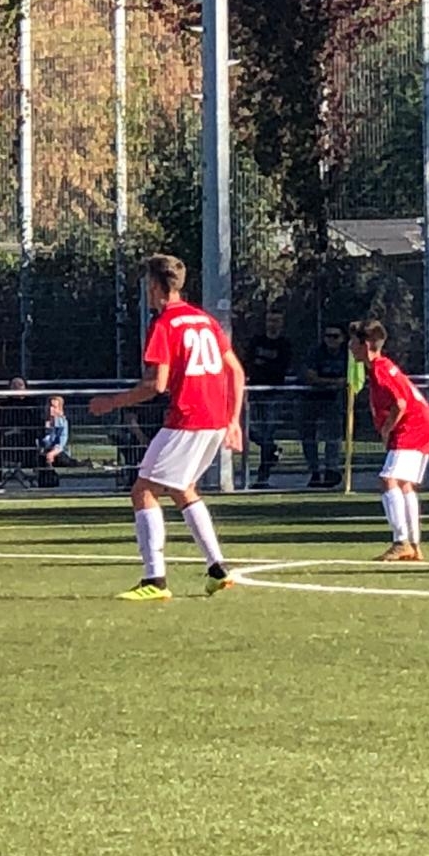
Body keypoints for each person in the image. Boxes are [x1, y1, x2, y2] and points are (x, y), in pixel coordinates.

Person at [89, 253, 245, 602]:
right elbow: (236, 371)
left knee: (142, 491)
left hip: (187, 418)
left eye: (148, 285)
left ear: (156, 286)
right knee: (182, 488)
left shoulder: (165, 324)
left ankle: (155, 580)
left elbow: (156, 385)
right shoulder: (205, 320)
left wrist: (112, 402)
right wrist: (234, 420)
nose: (147, 292)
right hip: (215, 419)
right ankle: (217, 569)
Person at [349, 319, 429, 562]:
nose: (350, 347)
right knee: (404, 484)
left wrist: (387, 429)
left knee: (388, 479)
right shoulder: (383, 367)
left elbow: (400, 403)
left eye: (353, 342)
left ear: (366, 345)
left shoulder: (380, 369)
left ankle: (401, 542)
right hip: (422, 423)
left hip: (412, 426)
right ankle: (414, 544)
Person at [243, 307, 293, 487]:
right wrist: (260, 367)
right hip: (255, 391)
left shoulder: (284, 345)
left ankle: (262, 476)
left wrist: (263, 364)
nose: (272, 324)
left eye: (276, 321)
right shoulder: (256, 341)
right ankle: (273, 449)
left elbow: (281, 367)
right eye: (270, 320)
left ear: (282, 323)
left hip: (274, 392)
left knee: (268, 430)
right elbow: (248, 362)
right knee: (248, 429)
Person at [299, 323, 348, 488]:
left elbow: (351, 378)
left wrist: (337, 383)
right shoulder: (315, 352)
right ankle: (314, 472)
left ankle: (331, 470)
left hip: (333, 401)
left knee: (333, 437)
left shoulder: (347, 354)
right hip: (310, 399)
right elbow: (310, 377)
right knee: (309, 437)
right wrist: (334, 382)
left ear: (342, 338)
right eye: (328, 336)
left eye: (335, 336)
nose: (331, 340)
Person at [36, 395, 81, 484]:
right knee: (41, 458)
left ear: (60, 409)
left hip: (57, 452)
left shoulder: (63, 422)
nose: (50, 409)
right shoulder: (39, 421)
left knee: (60, 459)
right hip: (41, 451)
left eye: (54, 407)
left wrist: (52, 453)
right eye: (49, 406)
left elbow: (61, 443)